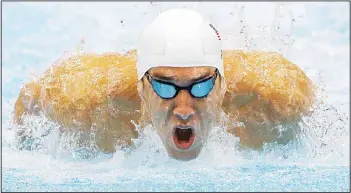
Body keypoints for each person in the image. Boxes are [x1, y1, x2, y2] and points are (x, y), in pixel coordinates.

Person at [13, 9, 314, 161]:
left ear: (223, 86)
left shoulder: (273, 97)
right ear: (142, 88)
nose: (184, 109)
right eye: (165, 88)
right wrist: (23, 145)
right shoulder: (88, 98)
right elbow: (30, 97)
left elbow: (310, 101)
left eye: (200, 87)